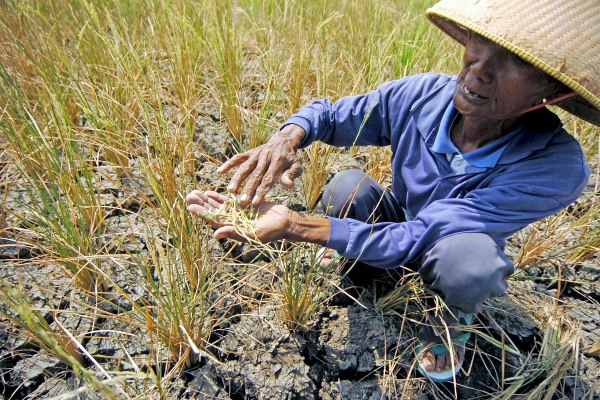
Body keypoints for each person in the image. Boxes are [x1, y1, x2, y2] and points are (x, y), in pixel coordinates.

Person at [187, 0, 599, 382]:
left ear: (554, 91)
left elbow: (428, 234)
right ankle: (363, 267)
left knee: (469, 265)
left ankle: (452, 317)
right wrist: (288, 137)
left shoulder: (554, 165)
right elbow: (332, 115)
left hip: (450, 243)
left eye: (516, 63)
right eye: (482, 43)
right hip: (399, 218)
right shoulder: (423, 95)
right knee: (349, 187)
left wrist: (295, 225)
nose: (479, 70)